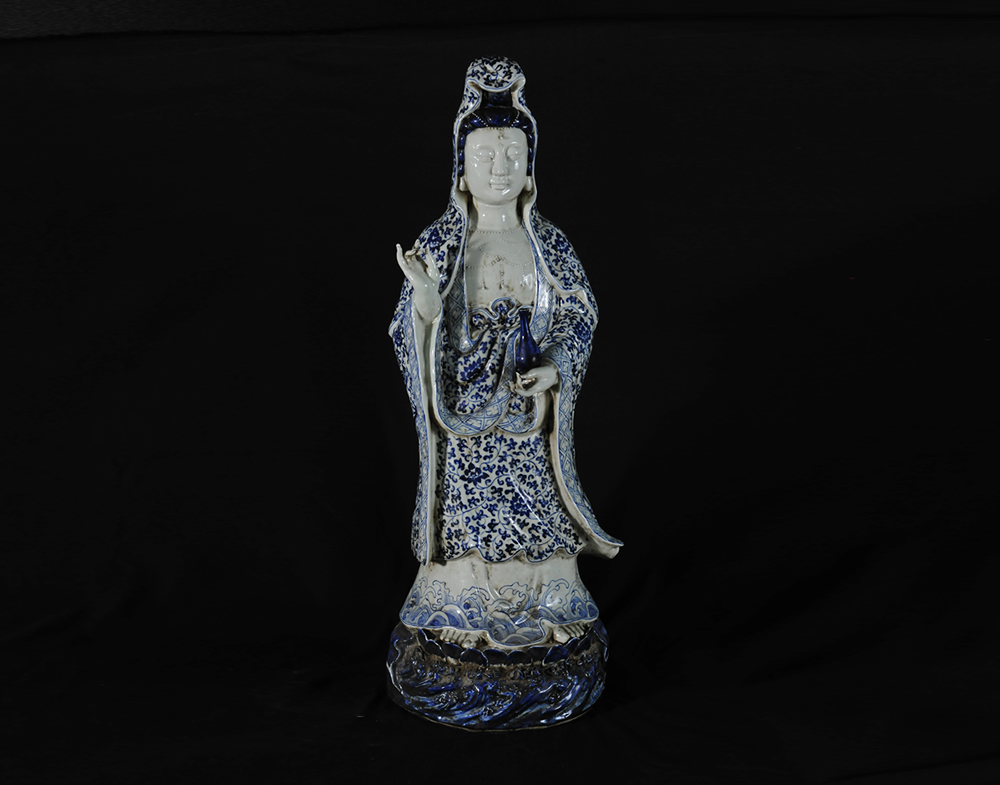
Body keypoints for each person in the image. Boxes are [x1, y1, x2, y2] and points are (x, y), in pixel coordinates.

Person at [390, 57, 622, 650]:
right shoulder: (441, 243)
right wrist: (425, 305)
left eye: (513, 156)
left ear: (531, 166)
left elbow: (579, 316)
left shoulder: (548, 244)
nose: (500, 169)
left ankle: (545, 605)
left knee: (537, 512)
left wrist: (555, 365)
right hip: (465, 417)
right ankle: (461, 610)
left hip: (527, 418)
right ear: (461, 169)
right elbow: (405, 327)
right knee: (467, 517)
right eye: (486, 156)